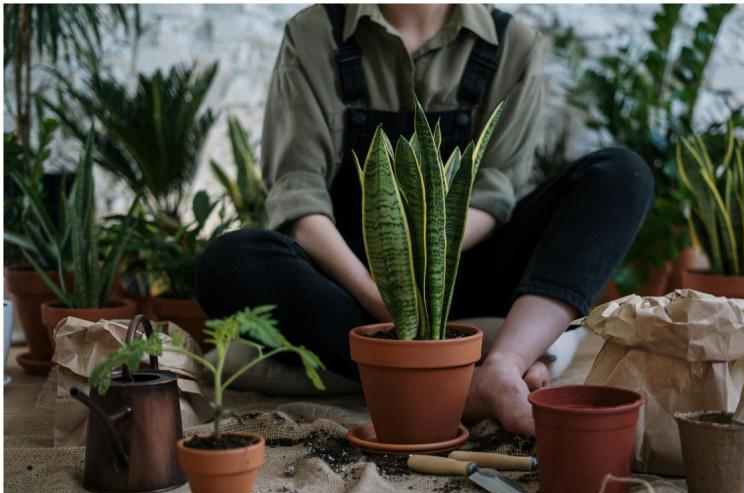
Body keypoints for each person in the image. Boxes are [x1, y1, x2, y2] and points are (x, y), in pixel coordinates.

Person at [197, 4, 653, 436]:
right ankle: (452, 379)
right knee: (230, 260)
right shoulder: (313, 34)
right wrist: (385, 297)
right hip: (351, 286)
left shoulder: (513, 43)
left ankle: (501, 367)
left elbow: (494, 193)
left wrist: (428, 273)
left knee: (621, 175)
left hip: (464, 266)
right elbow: (299, 195)